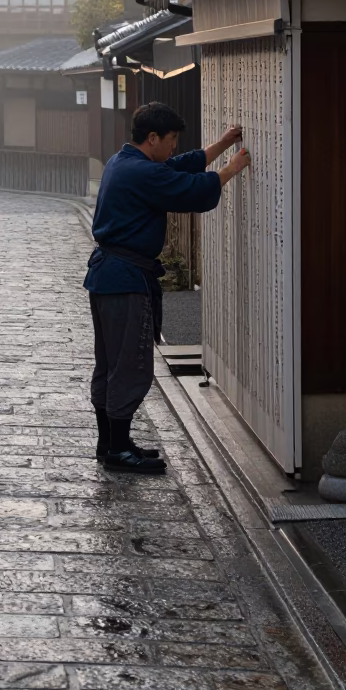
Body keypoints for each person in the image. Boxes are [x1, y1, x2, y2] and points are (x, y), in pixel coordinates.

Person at [84, 101, 250, 475]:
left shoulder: (124, 162)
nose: (174, 147)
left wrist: (222, 144)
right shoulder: (141, 173)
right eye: (171, 139)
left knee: (111, 364)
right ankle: (116, 450)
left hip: (109, 277)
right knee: (130, 364)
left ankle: (113, 442)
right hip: (124, 280)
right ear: (153, 137)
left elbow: (179, 167)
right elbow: (189, 189)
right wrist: (231, 169)